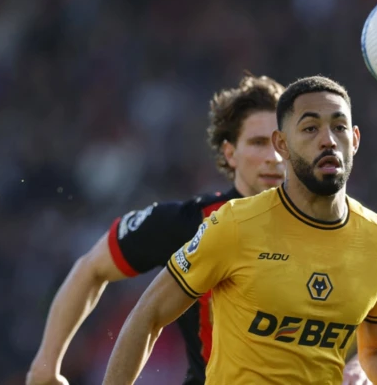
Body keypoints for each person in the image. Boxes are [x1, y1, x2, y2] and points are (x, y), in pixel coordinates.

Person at [102, 76, 377, 385]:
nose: (328, 140)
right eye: (310, 129)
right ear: (281, 144)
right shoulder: (235, 224)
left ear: (354, 140)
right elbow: (148, 317)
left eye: (339, 127)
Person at [27, 74, 287, 385]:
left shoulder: (336, 227)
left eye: (280, 143)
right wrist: (46, 365)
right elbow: (91, 269)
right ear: (230, 153)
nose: (273, 157)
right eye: (258, 143)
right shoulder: (189, 223)